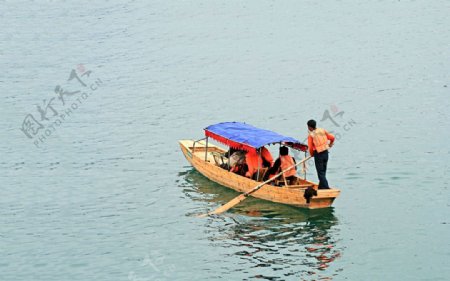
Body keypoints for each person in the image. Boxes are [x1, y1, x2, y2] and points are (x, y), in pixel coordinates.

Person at [307, 119, 335, 189]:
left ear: (310, 127)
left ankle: (326, 187)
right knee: (323, 171)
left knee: (320, 173)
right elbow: (332, 137)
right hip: (326, 153)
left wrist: (312, 154)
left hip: (318, 154)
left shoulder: (311, 135)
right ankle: (321, 186)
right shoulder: (322, 130)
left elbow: (310, 148)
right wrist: (330, 144)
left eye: (308, 127)